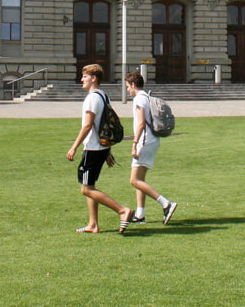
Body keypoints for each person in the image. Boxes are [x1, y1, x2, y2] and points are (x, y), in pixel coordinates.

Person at [66, 64, 134, 234]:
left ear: (93, 78)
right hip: (101, 148)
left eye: (85, 76)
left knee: (86, 188)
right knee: (91, 185)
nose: (82, 79)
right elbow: (105, 124)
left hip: (93, 149)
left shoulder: (92, 98)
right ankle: (93, 224)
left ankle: (122, 210)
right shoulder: (103, 96)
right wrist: (108, 150)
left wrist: (74, 147)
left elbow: (88, 125)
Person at [125, 71, 178, 226]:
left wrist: (134, 143)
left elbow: (141, 123)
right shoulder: (147, 97)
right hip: (152, 140)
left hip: (144, 141)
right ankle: (140, 214)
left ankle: (166, 204)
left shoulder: (139, 100)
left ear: (134, 85)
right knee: (140, 179)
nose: (127, 90)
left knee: (134, 180)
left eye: (128, 87)